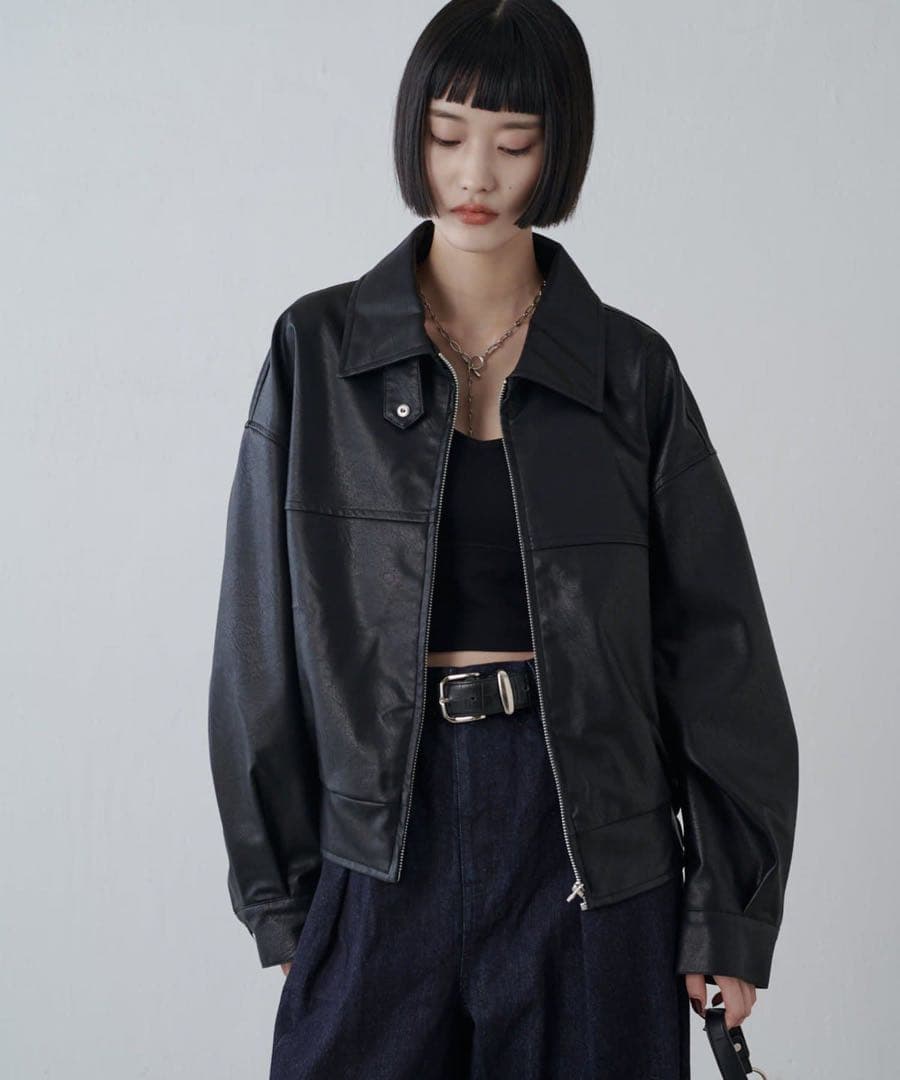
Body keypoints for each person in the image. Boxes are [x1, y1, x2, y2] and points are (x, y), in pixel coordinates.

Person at [207, 2, 799, 1077]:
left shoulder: (631, 373)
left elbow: (720, 655)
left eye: (513, 143)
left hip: (589, 853)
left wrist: (728, 912)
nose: (473, 173)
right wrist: (282, 899)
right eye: (446, 135)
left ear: (556, 152)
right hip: (378, 846)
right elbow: (257, 647)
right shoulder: (316, 354)